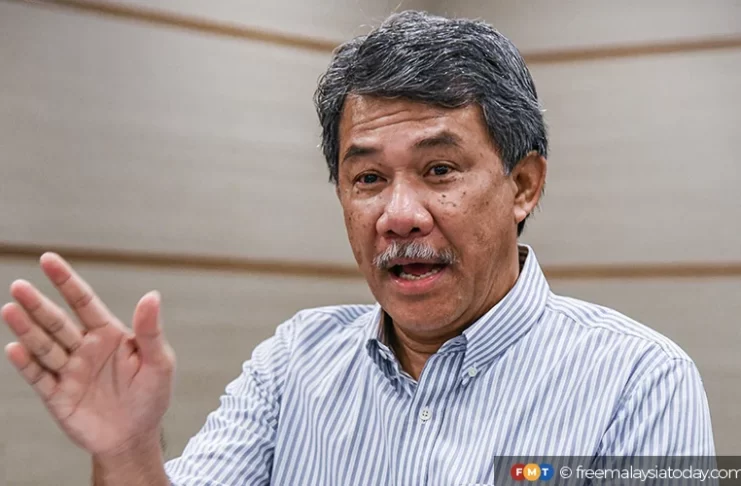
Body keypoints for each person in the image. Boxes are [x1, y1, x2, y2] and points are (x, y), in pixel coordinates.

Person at [2, 10, 714, 486]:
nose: (398, 216)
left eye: (440, 169)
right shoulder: (295, 361)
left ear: (523, 185)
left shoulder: (640, 379)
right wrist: (127, 449)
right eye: (368, 178)